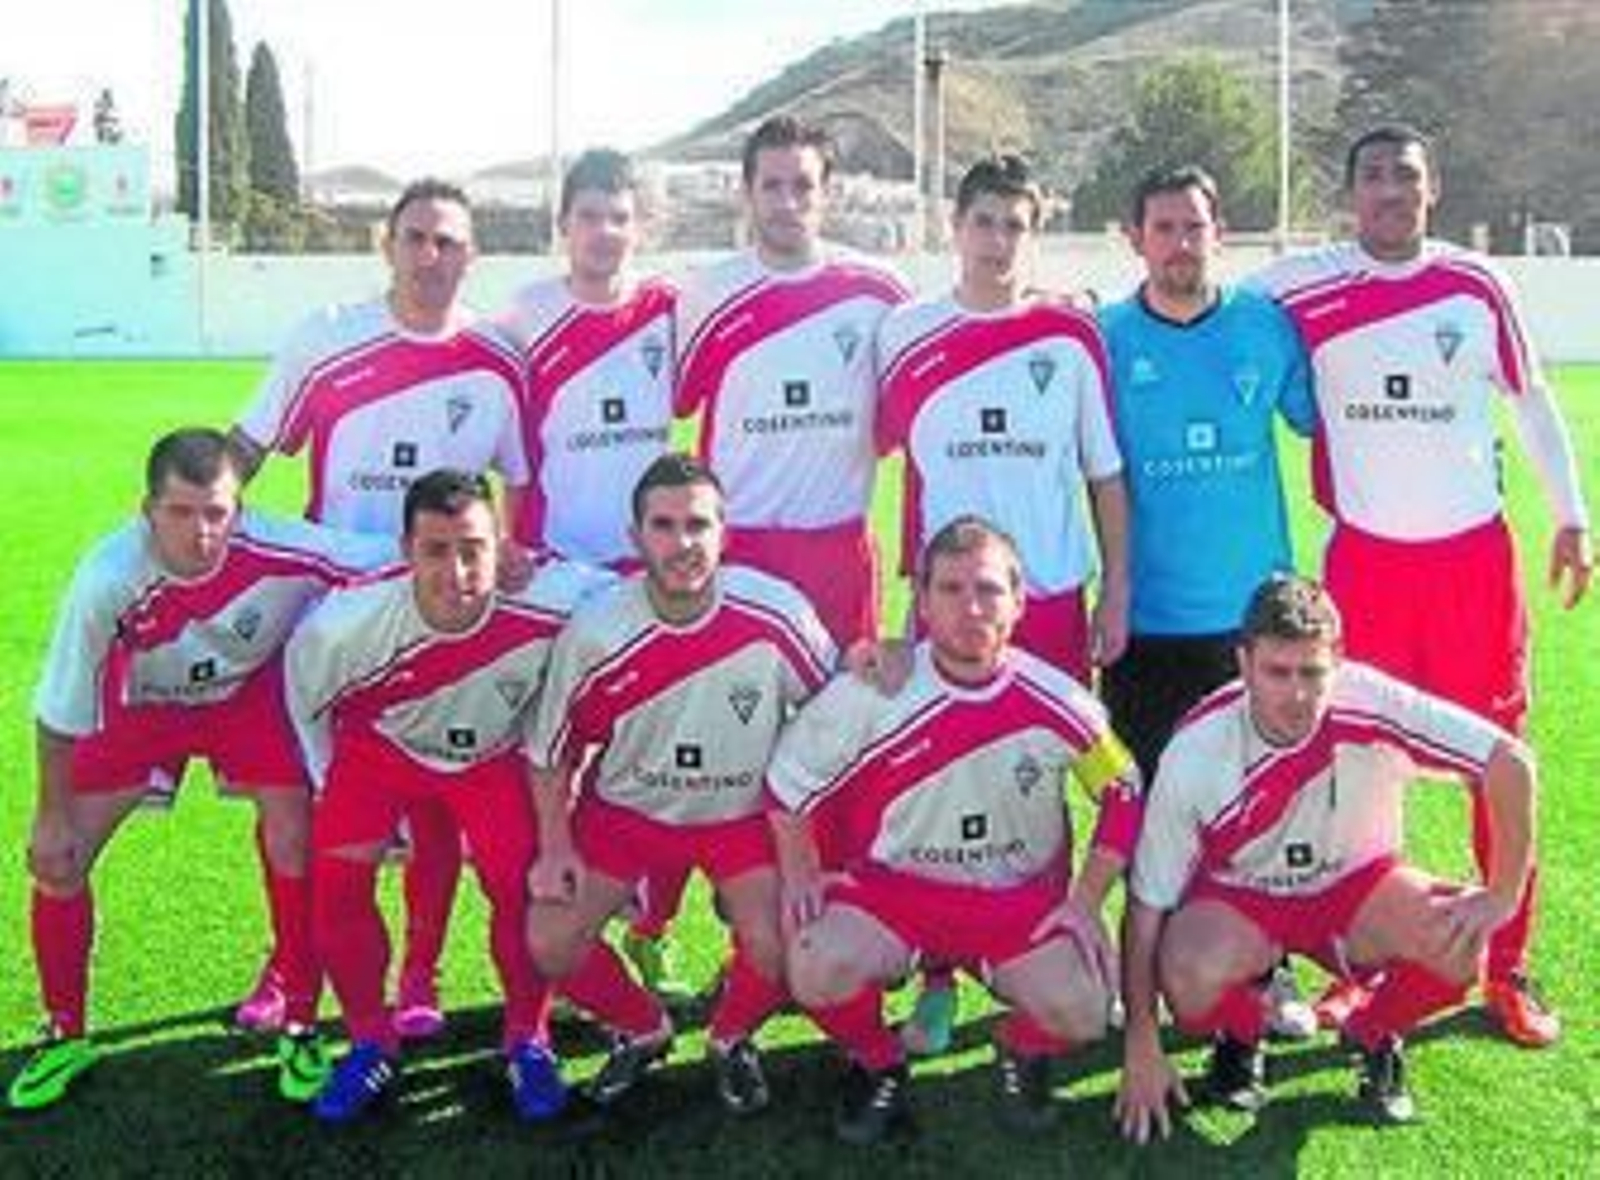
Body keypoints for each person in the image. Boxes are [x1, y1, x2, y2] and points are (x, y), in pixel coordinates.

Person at [1252, 125, 1591, 1046]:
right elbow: (1198, 296)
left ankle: (1506, 965)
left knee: (1497, 759)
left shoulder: (1476, 284)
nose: (1390, 190)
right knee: (1357, 768)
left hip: (1470, 567)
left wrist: (1572, 514)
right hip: (1363, 568)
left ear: (1431, 188)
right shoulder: (1301, 285)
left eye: (1405, 175)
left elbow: (1530, 399)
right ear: (1350, 193)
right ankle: (1360, 965)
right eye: (1372, 176)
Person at [7, 428, 391, 1112]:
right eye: (180, 512)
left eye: (217, 512)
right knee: (58, 863)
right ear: (147, 511)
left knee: (295, 837)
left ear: (240, 510)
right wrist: (50, 814)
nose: (202, 532)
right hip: (143, 703)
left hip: (245, 700)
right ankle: (64, 1033)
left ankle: (300, 1023)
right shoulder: (108, 577)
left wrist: (509, 563)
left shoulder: (280, 547)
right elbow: (60, 705)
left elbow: (391, 558)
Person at [227, 177, 532, 1040]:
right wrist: (194, 523)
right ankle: (289, 964)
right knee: (302, 803)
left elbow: (516, 480)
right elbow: (249, 444)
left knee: (434, 798)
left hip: (446, 616)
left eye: (448, 241)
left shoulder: (497, 358)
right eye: (416, 238)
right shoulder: (326, 338)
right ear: (386, 245)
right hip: (334, 618)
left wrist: (509, 553)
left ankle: (420, 970)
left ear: (472, 255)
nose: (431, 255)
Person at [1114, 575, 1538, 1138]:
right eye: (1277, 672)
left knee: (1459, 945)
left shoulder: (1373, 702)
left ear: (1337, 659)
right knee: (1186, 970)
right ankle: (1242, 1029)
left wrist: (1503, 895)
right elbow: (1146, 907)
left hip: (1356, 890)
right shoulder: (1196, 749)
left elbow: (1510, 762)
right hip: (1245, 901)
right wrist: (1141, 1042)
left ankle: (1373, 1030)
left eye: (1312, 672)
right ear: (1243, 664)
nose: (1297, 694)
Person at [767, 517, 1142, 1143]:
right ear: (922, 601)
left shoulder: (1060, 701)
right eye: (950, 589)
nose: (971, 608)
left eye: (989, 589)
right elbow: (787, 780)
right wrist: (801, 869)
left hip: (1013, 905)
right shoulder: (876, 689)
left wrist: (1085, 901)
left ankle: (1020, 1046)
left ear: (1019, 601)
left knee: (1086, 1009)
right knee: (813, 962)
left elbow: (1123, 791)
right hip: (894, 897)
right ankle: (878, 1060)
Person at [875, 153, 1130, 1051]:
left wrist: (1116, 590)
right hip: (945, 606)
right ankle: (938, 975)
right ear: (956, 228)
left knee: (1046, 782)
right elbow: (893, 469)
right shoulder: (905, 334)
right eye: (983, 222)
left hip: (1050, 601)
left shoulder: (1069, 335)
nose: (997, 240)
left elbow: (1104, 473)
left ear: (1035, 233)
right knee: (940, 781)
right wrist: (900, 609)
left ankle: (1052, 944)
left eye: (1014, 225)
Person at [285, 470, 610, 1123]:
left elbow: (631, 598)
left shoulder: (554, 593)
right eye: (436, 550)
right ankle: (371, 1041)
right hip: (381, 751)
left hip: (490, 758)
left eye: (473, 549)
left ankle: (527, 1039)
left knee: (522, 890)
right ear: (407, 550)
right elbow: (306, 702)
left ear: (502, 545)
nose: (458, 571)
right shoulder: (345, 624)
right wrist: (329, 784)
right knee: (337, 884)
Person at [525, 453, 835, 1117]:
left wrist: (806, 855)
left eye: (698, 525)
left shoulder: (776, 613)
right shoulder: (598, 630)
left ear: (725, 533)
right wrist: (554, 845)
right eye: (663, 526)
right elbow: (551, 750)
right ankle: (642, 1028)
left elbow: (833, 723)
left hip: (740, 816)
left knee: (788, 943)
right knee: (550, 940)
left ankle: (731, 1037)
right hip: (626, 812)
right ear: (636, 537)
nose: (683, 542)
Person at [1099, 164, 1318, 1040]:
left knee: (1261, 806)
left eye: (1194, 227)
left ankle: (1272, 967)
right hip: (1148, 622)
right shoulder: (1106, 338)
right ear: (1135, 239)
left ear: (1219, 233)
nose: (1180, 244)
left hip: (1251, 622)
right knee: (1153, 807)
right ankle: (1145, 975)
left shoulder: (1265, 325)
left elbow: (1323, 417)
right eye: (1163, 228)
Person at [500, 147, 690, 1003]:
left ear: (639, 227)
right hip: (554, 575)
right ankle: (562, 920)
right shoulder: (524, 317)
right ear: (563, 225)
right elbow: (495, 435)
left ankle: (654, 928)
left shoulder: (670, 311)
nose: (605, 233)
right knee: (556, 757)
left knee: (663, 758)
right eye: (589, 217)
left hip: (650, 574)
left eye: (620, 217)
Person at [675, 114, 909, 651]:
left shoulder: (880, 290)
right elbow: (680, 405)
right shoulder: (706, 297)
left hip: (839, 549)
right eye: (772, 186)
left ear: (828, 193)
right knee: (742, 702)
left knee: (844, 700)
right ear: (747, 194)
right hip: (738, 550)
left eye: (803, 185)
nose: (787, 202)